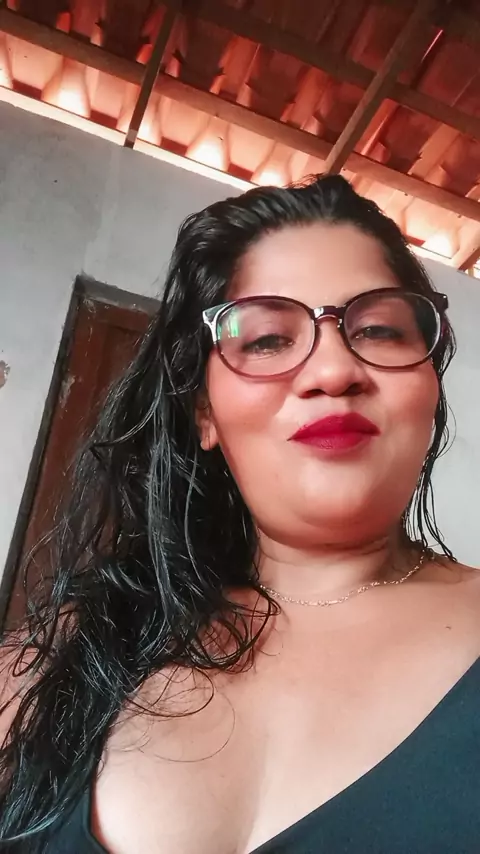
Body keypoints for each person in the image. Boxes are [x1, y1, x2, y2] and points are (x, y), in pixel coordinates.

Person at [0, 173, 479, 854]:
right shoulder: (68, 652)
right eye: (266, 340)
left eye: (378, 329)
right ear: (204, 412)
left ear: (430, 382)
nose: (333, 371)